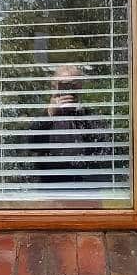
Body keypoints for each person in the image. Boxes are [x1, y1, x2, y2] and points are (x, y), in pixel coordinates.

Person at [27, 64, 108, 192]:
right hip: (50, 188)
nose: (68, 89)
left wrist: (80, 115)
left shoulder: (88, 116)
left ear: (79, 87)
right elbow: (31, 144)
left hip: (85, 189)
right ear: (54, 87)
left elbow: (101, 149)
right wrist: (49, 113)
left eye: (72, 85)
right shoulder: (43, 115)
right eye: (63, 85)